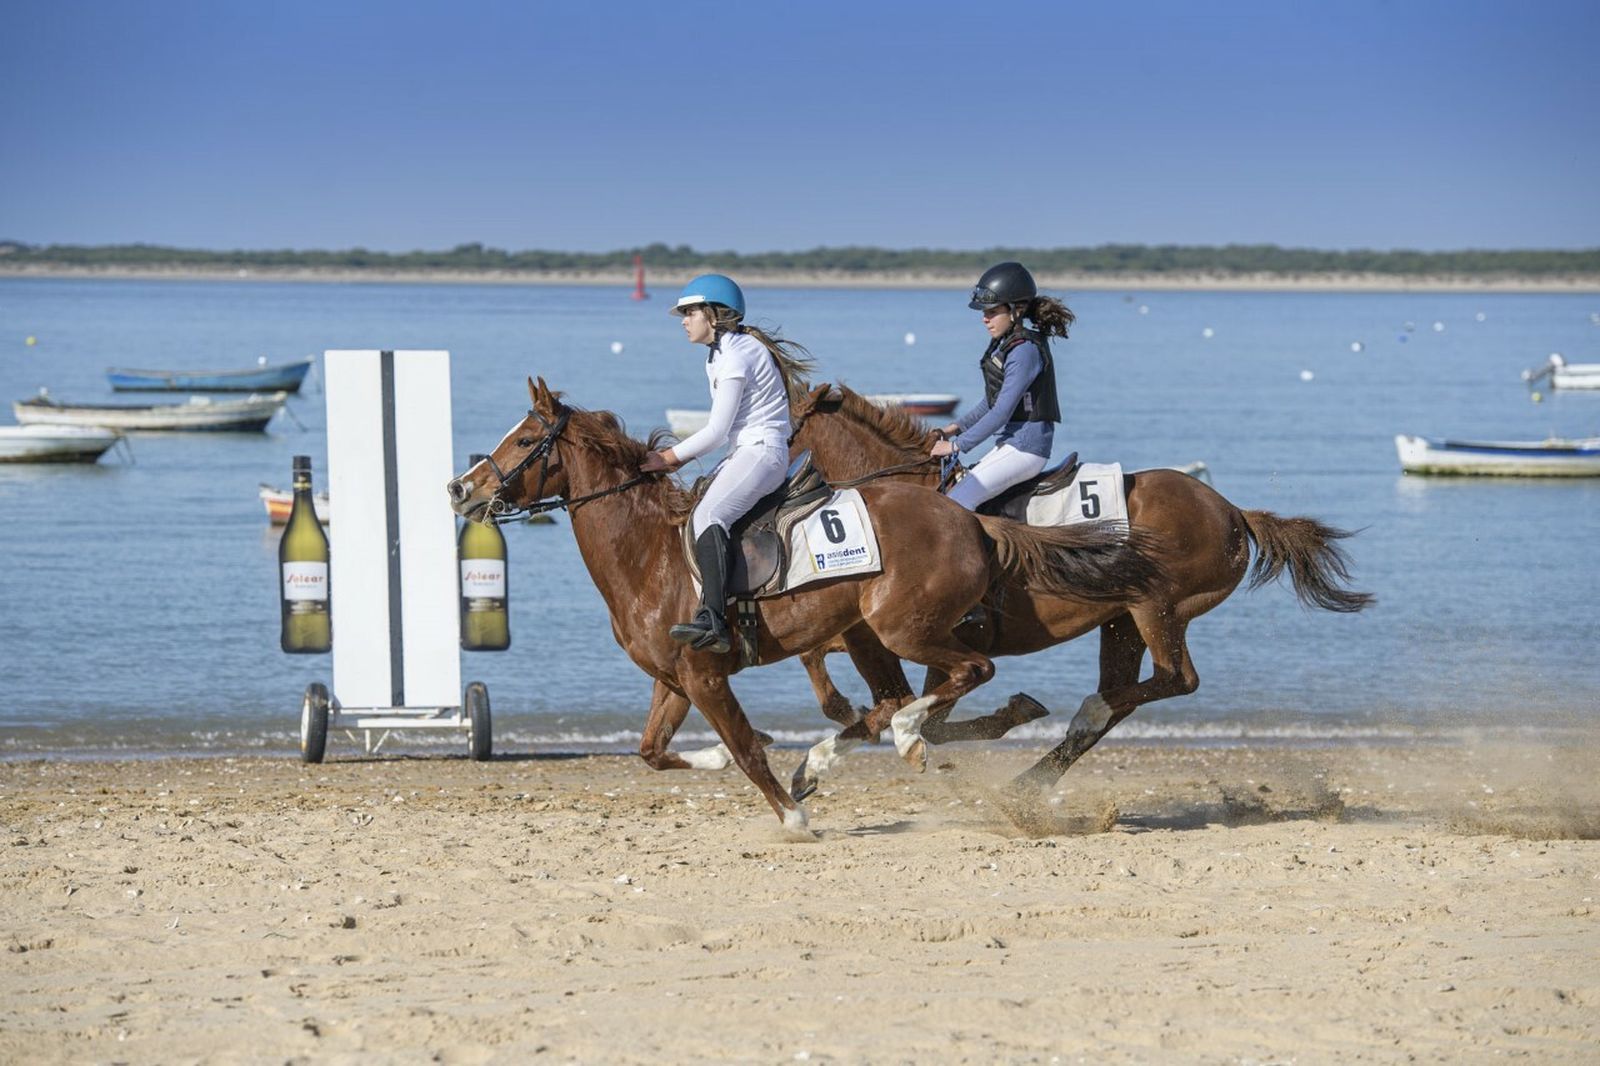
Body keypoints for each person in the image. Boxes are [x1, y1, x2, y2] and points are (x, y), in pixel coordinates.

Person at [640, 274, 814, 653]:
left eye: (689, 312)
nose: (684, 320)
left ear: (714, 315)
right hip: (746, 452)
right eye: (683, 314)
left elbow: (717, 432)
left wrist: (667, 458)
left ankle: (714, 619)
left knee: (708, 518)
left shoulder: (736, 353)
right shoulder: (719, 354)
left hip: (762, 453)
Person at [930, 261, 1073, 510]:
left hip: (1026, 448)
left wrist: (957, 446)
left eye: (992, 312)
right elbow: (990, 402)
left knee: (954, 504)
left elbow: (1001, 412)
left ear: (1016, 310)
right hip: (1012, 444)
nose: (985, 319)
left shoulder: (1024, 351)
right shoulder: (1006, 345)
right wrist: (952, 428)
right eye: (983, 313)